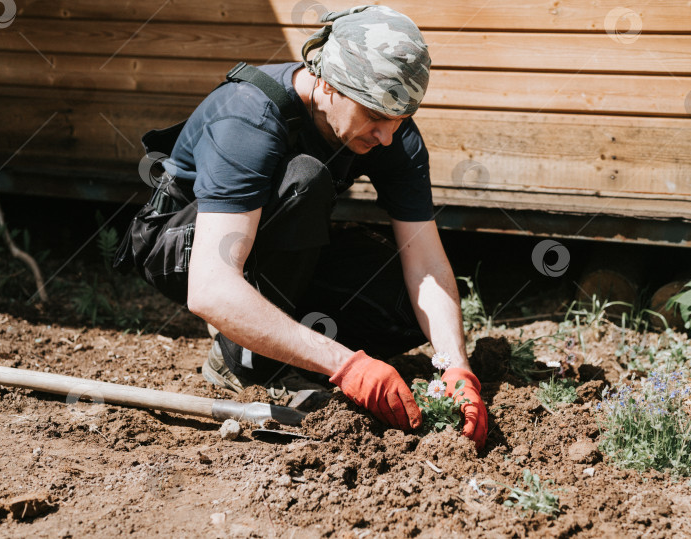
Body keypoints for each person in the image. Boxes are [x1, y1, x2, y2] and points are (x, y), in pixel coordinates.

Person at [162, 5, 488, 448]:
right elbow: (210, 286)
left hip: (282, 250)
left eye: (401, 118)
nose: (388, 136)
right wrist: (347, 365)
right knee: (306, 180)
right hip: (189, 250)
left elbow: (426, 262)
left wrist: (453, 366)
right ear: (329, 84)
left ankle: (285, 341)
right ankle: (246, 359)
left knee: (410, 307)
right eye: (375, 115)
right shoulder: (249, 117)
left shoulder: (391, 129)